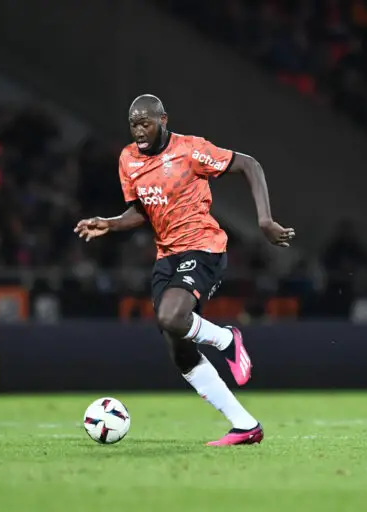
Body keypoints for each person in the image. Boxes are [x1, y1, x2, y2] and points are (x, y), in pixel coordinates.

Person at [74, 94, 294, 446]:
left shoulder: (191, 150)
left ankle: (227, 340)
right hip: (167, 257)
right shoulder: (128, 159)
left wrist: (264, 220)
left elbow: (249, 164)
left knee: (172, 317)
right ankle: (245, 425)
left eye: (145, 123)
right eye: (133, 124)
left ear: (163, 120)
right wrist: (110, 223)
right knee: (179, 349)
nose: (139, 130)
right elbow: (142, 210)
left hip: (203, 247)